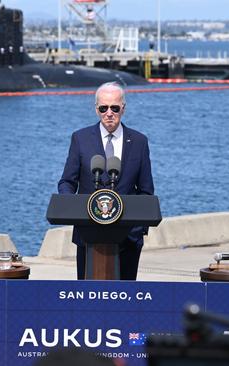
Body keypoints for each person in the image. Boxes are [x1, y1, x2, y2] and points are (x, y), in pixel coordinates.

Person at [58, 82, 154, 280]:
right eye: (104, 108)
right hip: (88, 235)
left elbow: (146, 191)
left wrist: (138, 231)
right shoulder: (80, 139)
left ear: (123, 109)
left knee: (123, 300)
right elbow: (67, 182)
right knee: (88, 298)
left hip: (128, 238)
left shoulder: (139, 142)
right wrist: (71, 209)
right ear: (96, 109)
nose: (109, 113)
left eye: (114, 108)